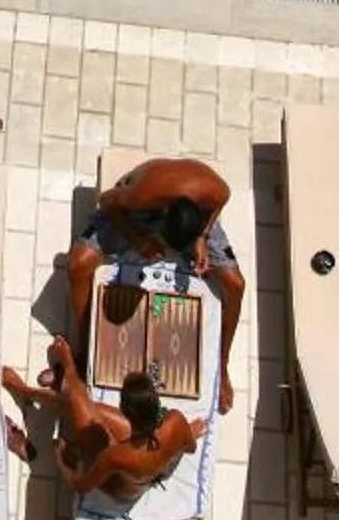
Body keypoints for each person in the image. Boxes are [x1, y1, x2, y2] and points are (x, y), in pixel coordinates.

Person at [66, 155, 246, 410]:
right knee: (77, 265)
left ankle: (222, 367)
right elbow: (106, 202)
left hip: (193, 224)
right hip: (135, 217)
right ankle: (85, 350)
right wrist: (137, 239)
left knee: (237, 285)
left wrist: (202, 238)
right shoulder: (141, 194)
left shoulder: (215, 190)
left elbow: (218, 205)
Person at [2, 339, 203, 501]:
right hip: (139, 473)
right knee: (90, 410)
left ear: (125, 411)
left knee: (77, 402)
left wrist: (62, 459)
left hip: (118, 489)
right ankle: (40, 390)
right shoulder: (176, 421)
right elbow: (191, 447)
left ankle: (32, 387)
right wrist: (187, 432)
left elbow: (81, 485)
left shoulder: (116, 456)